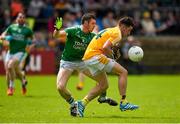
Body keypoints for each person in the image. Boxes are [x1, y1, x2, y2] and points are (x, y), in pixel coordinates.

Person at [73, 17, 139, 117]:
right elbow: (105, 47)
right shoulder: (118, 33)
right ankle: (124, 102)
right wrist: (113, 56)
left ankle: (81, 104)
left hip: (88, 57)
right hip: (95, 56)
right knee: (123, 72)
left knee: (103, 85)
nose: (129, 33)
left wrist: (112, 51)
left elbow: (104, 44)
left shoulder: (110, 30)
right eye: (129, 30)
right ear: (123, 26)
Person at [53, 13, 118, 116]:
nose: (95, 26)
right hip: (68, 62)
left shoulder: (93, 36)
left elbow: (103, 46)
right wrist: (57, 29)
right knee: (60, 87)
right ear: (86, 23)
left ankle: (102, 97)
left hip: (84, 62)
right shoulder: (73, 30)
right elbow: (56, 35)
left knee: (103, 83)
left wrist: (113, 47)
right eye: (93, 23)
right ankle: (73, 104)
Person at [0, 12, 34, 96]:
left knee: (10, 66)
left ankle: (11, 87)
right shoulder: (11, 27)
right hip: (10, 52)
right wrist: (5, 37)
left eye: (23, 17)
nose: (21, 18)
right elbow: (1, 36)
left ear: (25, 19)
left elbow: (33, 41)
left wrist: (29, 44)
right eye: (19, 17)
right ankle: (22, 82)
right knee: (11, 71)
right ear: (16, 19)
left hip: (20, 52)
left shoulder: (28, 30)